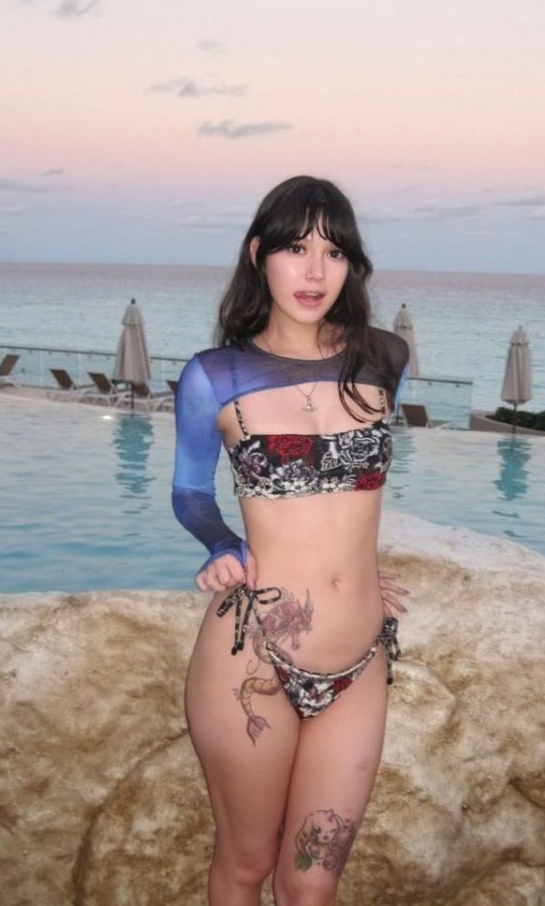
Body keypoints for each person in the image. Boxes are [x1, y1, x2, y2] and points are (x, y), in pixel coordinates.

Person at [172, 175, 410, 906]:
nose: (315, 272)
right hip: (253, 654)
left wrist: (357, 574)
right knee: (246, 865)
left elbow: (352, 494)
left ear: (352, 266)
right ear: (258, 255)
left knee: (311, 885)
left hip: (360, 657)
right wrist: (220, 545)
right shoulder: (215, 376)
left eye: (334, 252)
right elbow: (189, 492)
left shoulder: (384, 358)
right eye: (296, 249)